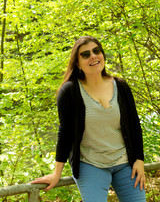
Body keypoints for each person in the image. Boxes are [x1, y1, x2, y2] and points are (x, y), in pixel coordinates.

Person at [31, 36, 146, 202]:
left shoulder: (120, 86)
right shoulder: (70, 91)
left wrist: (139, 160)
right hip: (90, 165)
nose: (93, 56)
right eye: (85, 54)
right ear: (77, 63)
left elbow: (135, 126)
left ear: (102, 55)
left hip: (125, 163)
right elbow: (65, 133)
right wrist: (57, 173)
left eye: (96, 51)